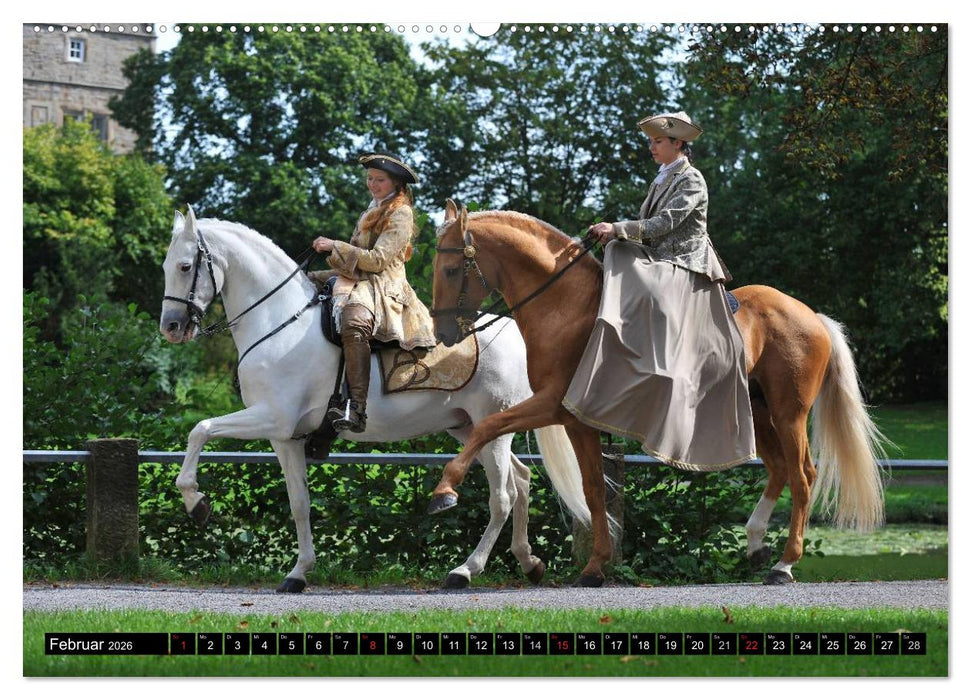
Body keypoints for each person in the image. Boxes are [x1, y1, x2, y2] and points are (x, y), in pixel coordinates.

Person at [562, 111, 757, 470]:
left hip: (686, 263)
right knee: (617, 251)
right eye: (651, 141)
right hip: (661, 256)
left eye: (658, 141)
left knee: (628, 262)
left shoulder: (692, 179)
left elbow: (666, 223)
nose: (651, 147)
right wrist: (613, 234)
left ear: (678, 143)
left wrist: (618, 228)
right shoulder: (662, 178)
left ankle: (661, 366)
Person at [310, 152, 436, 433]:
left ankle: (356, 408)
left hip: (384, 287)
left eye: (380, 180)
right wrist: (313, 276)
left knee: (354, 321)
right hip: (359, 282)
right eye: (370, 179)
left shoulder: (401, 213)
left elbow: (377, 261)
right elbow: (353, 264)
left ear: (396, 184)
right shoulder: (369, 210)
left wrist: (335, 245)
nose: (373, 184)